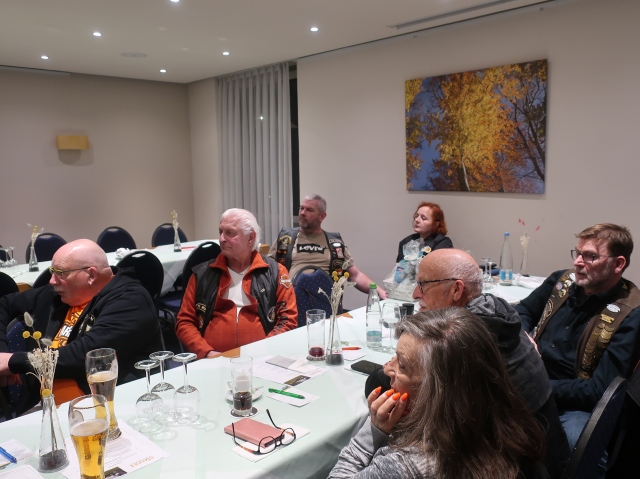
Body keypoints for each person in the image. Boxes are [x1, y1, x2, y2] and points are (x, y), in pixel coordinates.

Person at [367, 248, 567, 477]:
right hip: (537, 451)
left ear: (456, 289)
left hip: (518, 462)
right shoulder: (495, 313)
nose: (414, 294)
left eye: (423, 284)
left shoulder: (464, 341)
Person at [329, 308, 548, 479]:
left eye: (402, 365)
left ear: (436, 390)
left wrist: (373, 431)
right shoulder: (506, 424)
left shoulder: (406, 464)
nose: (387, 369)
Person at [0, 239, 161, 414]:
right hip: (44, 405)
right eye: (52, 272)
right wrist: (2, 353)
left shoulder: (130, 301)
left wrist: (13, 361)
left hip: (110, 407)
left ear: (91, 275)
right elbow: (4, 304)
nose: (52, 281)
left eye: (60, 273)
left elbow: (87, 355)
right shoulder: (60, 293)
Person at [516, 223, 640, 450]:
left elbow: (599, 389)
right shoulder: (561, 282)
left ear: (618, 264)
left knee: (576, 446)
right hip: (530, 375)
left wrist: (539, 386)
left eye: (590, 256)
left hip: (575, 403)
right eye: (578, 253)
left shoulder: (631, 313)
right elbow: (523, 311)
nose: (578, 262)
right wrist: (525, 336)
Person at [176, 208, 297, 358]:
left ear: (250, 238)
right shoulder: (202, 274)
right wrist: (206, 352)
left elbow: (288, 320)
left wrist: (264, 351)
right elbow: (184, 322)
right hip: (211, 361)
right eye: (220, 232)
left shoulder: (276, 272)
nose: (221, 239)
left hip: (263, 359)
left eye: (230, 233)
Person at [269, 194, 386, 298]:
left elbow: (355, 275)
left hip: (325, 301)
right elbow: (267, 270)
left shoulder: (334, 243)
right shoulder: (286, 239)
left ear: (322, 216)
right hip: (289, 302)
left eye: (309, 210)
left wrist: (380, 292)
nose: (302, 213)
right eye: (301, 208)